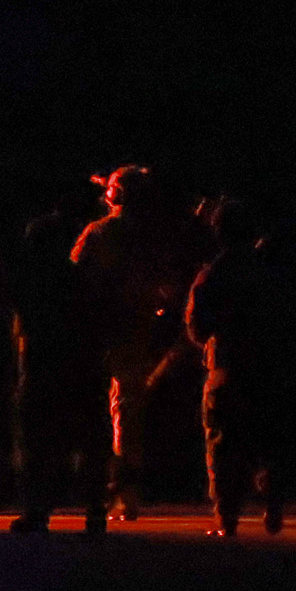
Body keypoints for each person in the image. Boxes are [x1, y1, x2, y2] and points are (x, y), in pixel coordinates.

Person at [69, 165, 206, 523]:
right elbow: (171, 286)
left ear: (115, 195)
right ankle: (125, 496)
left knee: (92, 414)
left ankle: (95, 494)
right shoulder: (155, 238)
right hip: (135, 333)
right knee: (127, 418)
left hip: (98, 334)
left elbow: (73, 278)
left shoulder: (99, 232)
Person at [184, 197, 293, 538]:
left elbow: (197, 327)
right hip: (270, 366)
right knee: (267, 441)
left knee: (223, 442)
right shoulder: (271, 270)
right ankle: (272, 503)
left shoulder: (214, 273)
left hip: (228, 367)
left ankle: (226, 518)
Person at [4, 204, 103, 534]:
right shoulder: (80, 279)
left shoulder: (29, 283)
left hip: (42, 368)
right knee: (86, 439)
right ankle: (94, 509)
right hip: (79, 368)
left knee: (37, 442)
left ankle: (37, 510)